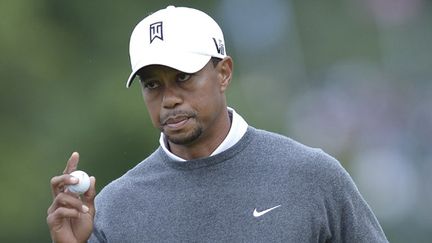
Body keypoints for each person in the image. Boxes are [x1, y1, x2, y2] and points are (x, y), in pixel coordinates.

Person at [47, 5, 389, 243]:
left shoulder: (311, 176)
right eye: (152, 84)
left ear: (223, 73)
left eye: (183, 77)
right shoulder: (116, 207)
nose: (169, 98)